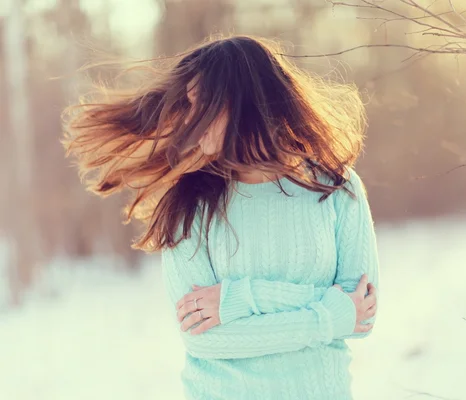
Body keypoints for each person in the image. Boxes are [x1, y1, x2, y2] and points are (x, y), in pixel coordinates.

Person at [62, 34, 379, 400]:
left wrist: (238, 300)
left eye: (199, 103)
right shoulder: (188, 203)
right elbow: (207, 339)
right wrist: (329, 314)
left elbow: (362, 319)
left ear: (240, 103)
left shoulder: (337, 187)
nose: (188, 118)